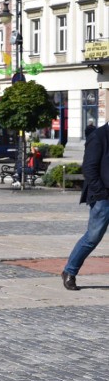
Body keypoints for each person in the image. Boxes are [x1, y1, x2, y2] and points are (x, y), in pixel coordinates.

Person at [62, 121, 109, 291]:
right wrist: (101, 193)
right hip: (103, 197)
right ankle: (70, 271)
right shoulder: (98, 136)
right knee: (92, 237)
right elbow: (89, 169)